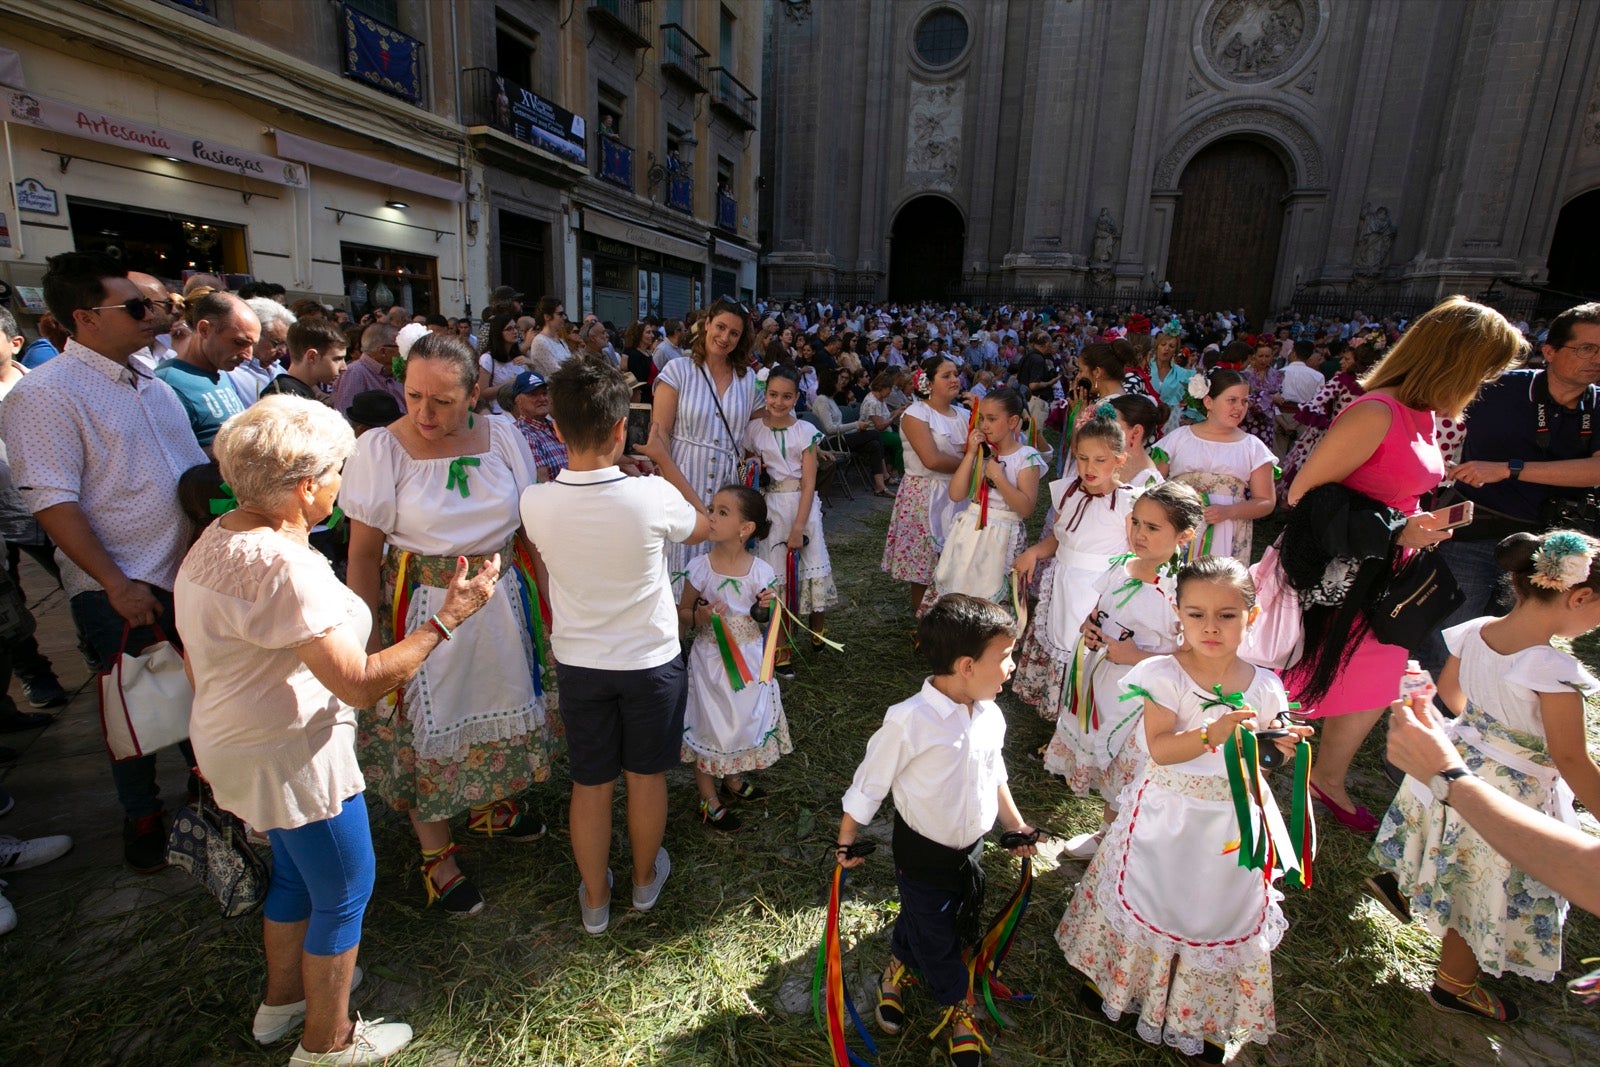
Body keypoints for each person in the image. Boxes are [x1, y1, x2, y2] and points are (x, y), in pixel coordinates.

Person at [182, 397, 499, 1064]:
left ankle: (284, 1001)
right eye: (337, 473)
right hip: (294, 753)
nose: (341, 486)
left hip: (236, 739)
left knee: (297, 881)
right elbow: (358, 681)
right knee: (346, 890)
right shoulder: (285, 568)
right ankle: (327, 1041)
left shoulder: (219, 538)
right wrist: (449, 618)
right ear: (305, 486)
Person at [0, 252, 208, 872]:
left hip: (185, 573)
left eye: (158, 305)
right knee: (133, 706)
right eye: (138, 307)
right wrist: (115, 583)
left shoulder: (153, 382)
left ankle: (207, 805)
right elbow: (52, 502)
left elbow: (185, 471)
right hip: (118, 585)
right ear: (86, 318)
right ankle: (141, 815)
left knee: (194, 697)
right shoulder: (46, 394)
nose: (156, 316)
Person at [1056, 557, 1310, 1064]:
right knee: (1153, 895)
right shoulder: (1163, 673)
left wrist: (1281, 739)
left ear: (1252, 617)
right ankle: (1121, 987)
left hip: (1231, 823)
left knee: (1212, 908)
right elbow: (1162, 749)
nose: (1210, 627)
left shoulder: (1264, 683)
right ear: (1178, 613)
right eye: (1196, 615)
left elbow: (1267, 733)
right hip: (1167, 815)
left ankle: (1201, 1012)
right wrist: (1211, 733)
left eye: (1227, 615)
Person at [1285, 297, 1525, 833]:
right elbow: (1302, 494)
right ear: (1454, 362)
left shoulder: (1420, 412)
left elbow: (1389, 490)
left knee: (1374, 675)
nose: (1485, 384)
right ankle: (1266, 768)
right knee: (1305, 674)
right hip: (1340, 579)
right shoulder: (1376, 411)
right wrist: (1398, 529)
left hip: (1387, 572)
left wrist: (1417, 522)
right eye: (1483, 370)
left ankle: (1328, 776)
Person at [340, 333, 551, 915]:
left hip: (501, 596)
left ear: (474, 392)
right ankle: (438, 854)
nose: (424, 413)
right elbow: (362, 556)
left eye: (442, 401)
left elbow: (527, 526)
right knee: (426, 727)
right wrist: (372, 641)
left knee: (498, 700)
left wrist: (549, 601)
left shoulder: (503, 434)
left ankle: (487, 805)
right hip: (423, 606)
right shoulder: (381, 451)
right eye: (413, 396)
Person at [1368, 530, 1600, 1022]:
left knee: (1452, 855)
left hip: (1462, 760)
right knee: (1484, 887)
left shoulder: (1478, 629)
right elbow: (1571, 759)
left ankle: (1404, 888)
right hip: (1510, 794)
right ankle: (1455, 986)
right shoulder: (1554, 671)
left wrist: (1486, 732)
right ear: (1579, 597)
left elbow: (1451, 695)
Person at [522, 359, 709, 935]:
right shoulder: (652, 495)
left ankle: (597, 896)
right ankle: (645, 878)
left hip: (580, 662)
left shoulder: (534, 501)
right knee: (646, 777)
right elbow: (702, 524)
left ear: (556, 430)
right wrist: (660, 468)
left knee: (590, 781)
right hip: (650, 660)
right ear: (620, 430)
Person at [836, 594, 1040, 1067]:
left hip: (969, 851)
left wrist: (1014, 826)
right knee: (939, 937)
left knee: (931, 918)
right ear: (967, 665)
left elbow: (995, 774)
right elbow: (869, 783)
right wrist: (846, 838)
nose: (1012, 666)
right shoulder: (909, 720)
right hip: (921, 854)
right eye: (1005, 656)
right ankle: (959, 1007)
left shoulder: (990, 714)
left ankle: (897, 967)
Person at [1419, 302, 1600, 677]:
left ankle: (1485, 713)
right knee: (1449, 634)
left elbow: (1594, 471)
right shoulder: (1497, 388)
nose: (1596, 359)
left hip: (1551, 545)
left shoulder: (1597, 404)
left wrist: (1509, 469)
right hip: (1476, 530)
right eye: (1586, 348)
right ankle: (1438, 715)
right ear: (1549, 351)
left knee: (1517, 640)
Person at [1041, 482, 1201, 858]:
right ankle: (1106, 834)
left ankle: (1127, 844)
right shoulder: (1118, 565)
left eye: (1153, 528)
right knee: (1107, 764)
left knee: (1129, 767)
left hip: (1144, 701)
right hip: (1103, 685)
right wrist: (1090, 627)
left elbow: (1191, 659)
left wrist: (1136, 656)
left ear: (1185, 535)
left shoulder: (1183, 591)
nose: (1139, 535)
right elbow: (1100, 609)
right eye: (1136, 523)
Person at [1385, 695, 1600, 917]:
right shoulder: (1558, 675)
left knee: (1456, 867)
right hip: (1508, 790)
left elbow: (1450, 688)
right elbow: (1570, 757)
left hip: (1471, 764)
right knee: (1490, 895)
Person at [677, 486, 790, 831]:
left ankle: (733, 777)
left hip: (750, 660)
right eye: (712, 509)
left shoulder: (761, 572)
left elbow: (766, 618)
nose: (711, 516)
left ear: (746, 528)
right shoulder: (699, 568)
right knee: (710, 724)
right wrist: (701, 616)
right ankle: (708, 799)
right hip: (711, 661)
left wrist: (767, 607)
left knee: (740, 720)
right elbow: (683, 612)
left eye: (722, 512)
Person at [1011, 418, 1136, 722]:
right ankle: (1060, 716)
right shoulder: (1068, 492)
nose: (1089, 467)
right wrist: (1034, 552)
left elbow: (1135, 553)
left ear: (1119, 460)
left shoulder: (1128, 502)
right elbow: (1061, 536)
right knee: (1060, 637)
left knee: (1085, 652)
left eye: (1100, 460)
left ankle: (1080, 719)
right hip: (1064, 584)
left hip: (1097, 593)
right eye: (1082, 458)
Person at [648, 298, 760, 596]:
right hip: (680, 477)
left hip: (726, 487)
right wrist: (681, 492)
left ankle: (712, 638)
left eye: (734, 333)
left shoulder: (748, 380)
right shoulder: (678, 370)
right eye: (720, 327)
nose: (724, 338)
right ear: (706, 323)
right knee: (676, 564)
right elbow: (659, 438)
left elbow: (761, 430)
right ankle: (677, 640)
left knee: (719, 575)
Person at [742, 366, 835, 675]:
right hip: (771, 507)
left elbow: (809, 483)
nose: (778, 402)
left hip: (800, 505)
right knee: (777, 573)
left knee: (810, 562)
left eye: (786, 396)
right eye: (772, 395)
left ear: (796, 397)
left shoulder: (805, 432)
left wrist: (798, 526)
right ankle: (782, 645)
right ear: (764, 394)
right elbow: (749, 466)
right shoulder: (754, 430)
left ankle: (817, 628)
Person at [923, 388, 1045, 613]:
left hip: (1002, 534)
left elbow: (1026, 508)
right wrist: (970, 454)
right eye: (981, 418)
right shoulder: (981, 453)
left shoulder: (1026, 457)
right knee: (961, 581)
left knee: (991, 589)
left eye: (992, 419)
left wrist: (999, 477)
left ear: (1012, 421)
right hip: (971, 530)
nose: (984, 425)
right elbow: (957, 494)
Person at [881, 357, 969, 613]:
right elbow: (931, 459)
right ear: (928, 383)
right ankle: (924, 623)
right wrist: (971, 463)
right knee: (924, 564)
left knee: (956, 560)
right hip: (924, 493)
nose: (954, 379)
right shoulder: (916, 413)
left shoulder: (964, 414)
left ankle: (950, 615)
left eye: (956, 374)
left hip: (958, 491)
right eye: (946, 375)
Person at [1157, 369, 1275, 561]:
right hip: (1179, 525)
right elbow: (1152, 481)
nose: (1239, 407)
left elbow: (1266, 501)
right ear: (1208, 402)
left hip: (1226, 530)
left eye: (1244, 401)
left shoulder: (1253, 447)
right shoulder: (1179, 438)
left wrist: (1229, 511)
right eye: (1232, 400)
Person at [157, 292, 260, 451]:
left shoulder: (221, 374)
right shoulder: (166, 384)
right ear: (205, 330)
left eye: (253, 345)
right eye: (239, 342)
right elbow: (172, 456)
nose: (248, 356)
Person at [1278, 340, 1376, 499]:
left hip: (1336, 436)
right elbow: (1316, 404)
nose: (1342, 362)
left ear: (1359, 362)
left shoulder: (1347, 382)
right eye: (1342, 358)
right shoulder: (1368, 385)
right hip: (1342, 437)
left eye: (1347, 359)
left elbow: (1315, 403)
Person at [498, 370, 567, 482]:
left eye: (544, 393)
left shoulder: (554, 426)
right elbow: (543, 482)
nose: (542, 399)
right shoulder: (523, 434)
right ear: (518, 400)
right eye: (533, 394)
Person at [262, 317, 348, 401]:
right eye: (337, 359)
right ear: (312, 356)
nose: (344, 368)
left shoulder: (296, 393)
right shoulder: (283, 398)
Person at [230, 297, 295, 406]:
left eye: (286, 345)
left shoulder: (280, 371)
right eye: (276, 343)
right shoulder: (230, 373)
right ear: (253, 334)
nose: (283, 352)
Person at [330, 323, 404, 416]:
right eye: (401, 346)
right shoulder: (354, 373)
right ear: (383, 351)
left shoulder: (394, 371)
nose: (405, 352)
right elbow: (345, 416)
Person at [478, 314, 525, 413]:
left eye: (516, 328)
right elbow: (482, 393)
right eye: (509, 329)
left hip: (521, 411)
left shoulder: (518, 355)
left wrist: (531, 364)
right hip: (499, 413)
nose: (515, 332)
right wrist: (509, 384)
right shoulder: (487, 359)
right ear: (498, 333)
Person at [521, 297, 570, 378]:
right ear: (547, 317)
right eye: (560, 314)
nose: (564, 317)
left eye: (563, 314)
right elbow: (557, 372)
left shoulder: (560, 341)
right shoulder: (540, 341)